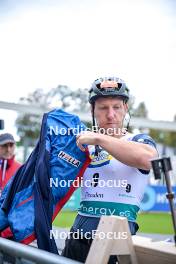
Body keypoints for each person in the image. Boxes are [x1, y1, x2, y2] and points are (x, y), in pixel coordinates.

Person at [62, 76, 158, 263]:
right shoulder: (83, 143)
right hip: (79, 234)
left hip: (117, 238)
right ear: (92, 110)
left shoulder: (137, 140)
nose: (111, 114)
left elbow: (148, 159)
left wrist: (99, 138)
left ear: (125, 109)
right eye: (103, 108)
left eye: (116, 107)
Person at [0, 133, 21, 239]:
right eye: (4, 146)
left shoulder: (21, 169)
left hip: (10, 233)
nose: (8, 150)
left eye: (11, 145)